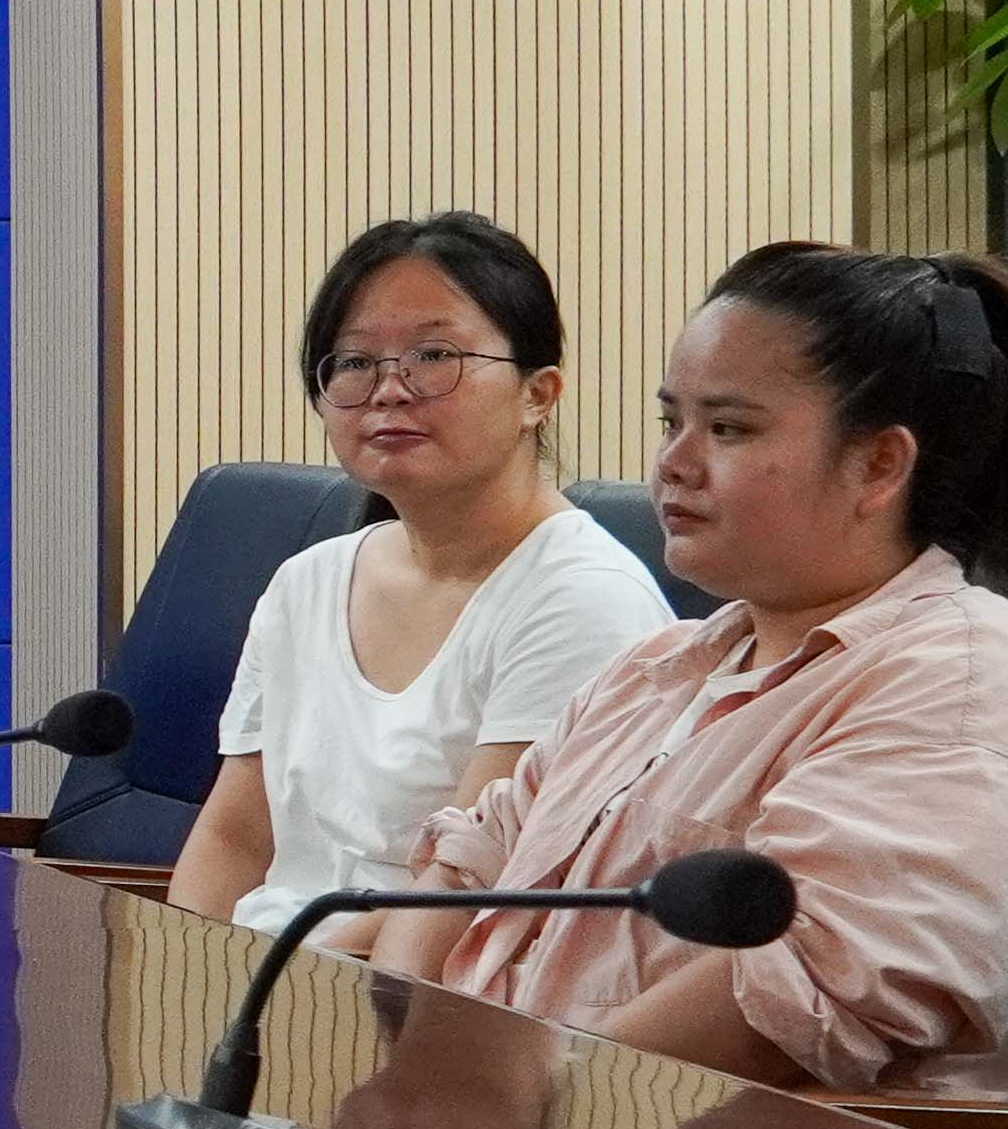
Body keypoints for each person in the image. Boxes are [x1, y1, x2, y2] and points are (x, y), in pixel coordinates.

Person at [377, 243, 1008, 1098]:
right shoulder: (657, 666)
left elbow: (784, 1004)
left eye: (728, 429)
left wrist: (497, 1102)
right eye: (672, 423)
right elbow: (465, 861)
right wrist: (401, 1050)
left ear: (879, 465)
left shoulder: (967, 697)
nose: (673, 464)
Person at [169, 212, 673, 934]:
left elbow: (459, 898)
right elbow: (233, 840)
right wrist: (183, 974)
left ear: (538, 394)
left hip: (421, 983)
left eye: (434, 355)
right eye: (354, 362)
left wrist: (266, 983)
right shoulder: (307, 581)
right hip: (257, 973)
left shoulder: (583, 600)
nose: (389, 390)